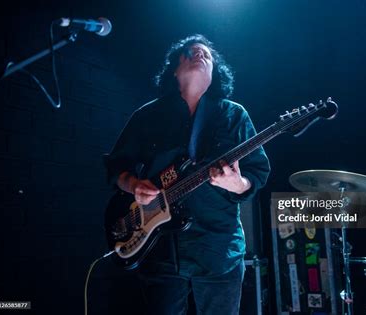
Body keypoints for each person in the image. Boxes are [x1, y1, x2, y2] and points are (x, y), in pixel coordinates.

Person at [104, 34, 270, 315]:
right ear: (174, 68)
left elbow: (258, 172)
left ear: (216, 71)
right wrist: (133, 185)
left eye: (207, 54)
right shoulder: (148, 116)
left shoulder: (234, 116)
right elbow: (115, 167)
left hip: (218, 248)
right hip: (158, 247)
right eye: (190, 52)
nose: (200, 54)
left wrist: (237, 183)